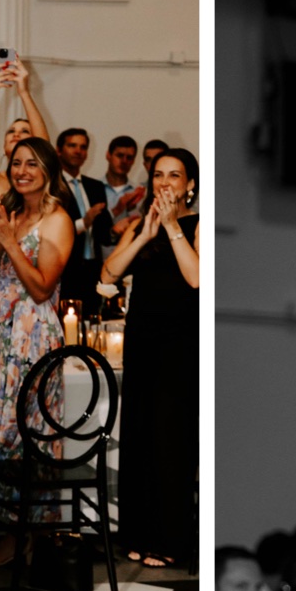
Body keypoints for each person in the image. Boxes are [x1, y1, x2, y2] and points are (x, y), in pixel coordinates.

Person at [0, 134, 72, 566]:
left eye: (31, 163)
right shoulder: (8, 212)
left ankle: (28, 533)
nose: (22, 171)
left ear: (47, 170)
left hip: (33, 342)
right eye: (16, 163)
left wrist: (11, 241)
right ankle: (8, 529)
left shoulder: (57, 219)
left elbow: (42, 286)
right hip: (0, 340)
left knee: (27, 441)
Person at [101, 147, 199, 568]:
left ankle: (171, 540)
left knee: (171, 442)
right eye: (159, 174)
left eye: (174, 175)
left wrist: (173, 227)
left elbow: (198, 278)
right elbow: (108, 275)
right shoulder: (144, 223)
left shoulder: (199, 225)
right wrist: (144, 233)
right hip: (142, 341)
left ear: (190, 185)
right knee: (140, 437)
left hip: (180, 346)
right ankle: (138, 535)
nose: (165, 182)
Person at [0, 55, 52, 206]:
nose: (17, 134)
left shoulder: (39, 177)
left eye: (25, 131)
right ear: (3, 146)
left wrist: (24, 93)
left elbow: (44, 147)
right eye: (11, 131)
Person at [54, 126, 108, 310]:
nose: (78, 151)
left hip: (93, 270)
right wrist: (84, 223)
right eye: (72, 145)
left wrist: (118, 227)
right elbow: (53, 230)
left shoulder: (95, 186)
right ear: (58, 150)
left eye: (83, 147)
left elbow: (104, 231)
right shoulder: (53, 187)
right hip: (66, 270)